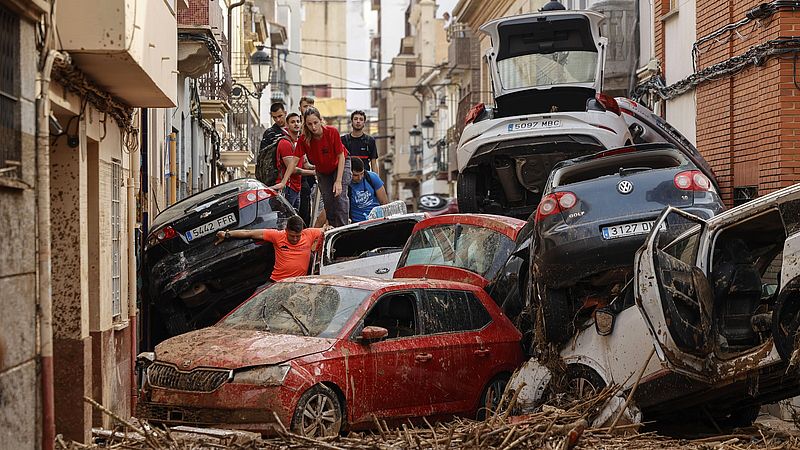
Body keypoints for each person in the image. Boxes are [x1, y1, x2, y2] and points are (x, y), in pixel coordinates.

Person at [215, 215, 327, 282]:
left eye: (298, 236)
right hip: (276, 282)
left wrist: (328, 227)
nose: (295, 239)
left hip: (297, 283)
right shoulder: (277, 236)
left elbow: (327, 230)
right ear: (286, 230)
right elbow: (249, 233)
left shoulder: (309, 234)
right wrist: (227, 234)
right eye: (292, 236)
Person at [296, 107, 352, 227]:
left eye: (315, 123)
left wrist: (338, 181)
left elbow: (341, 156)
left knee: (339, 196)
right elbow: (294, 160)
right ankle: (333, 227)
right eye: (309, 124)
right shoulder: (304, 139)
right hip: (323, 170)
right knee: (328, 200)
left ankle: (343, 228)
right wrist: (283, 181)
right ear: (305, 125)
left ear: (320, 120)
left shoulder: (332, 132)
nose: (313, 127)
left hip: (340, 163)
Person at [270, 113, 314, 209]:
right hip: (287, 187)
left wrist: (318, 167)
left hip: (296, 188)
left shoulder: (299, 143)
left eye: (298, 121)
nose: (296, 124)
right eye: (292, 122)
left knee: (294, 219)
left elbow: (306, 164)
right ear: (287, 125)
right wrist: (314, 172)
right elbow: (293, 169)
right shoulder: (285, 143)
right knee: (286, 219)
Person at [349, 157, 389, 222]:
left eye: (362, 173)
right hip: (358, 223)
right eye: (355, 175)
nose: (360, 178)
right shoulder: (345, 184)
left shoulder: (372, 177)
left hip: (377, 220)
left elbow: (384, 202)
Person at [298, 96, 317, 225]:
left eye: (310, 107)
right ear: (300, 108)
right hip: (298, 175)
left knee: (310, 209)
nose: (307, 109)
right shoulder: (295, 124)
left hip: (311, 174)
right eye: (305, 106)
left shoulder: (316, 126)